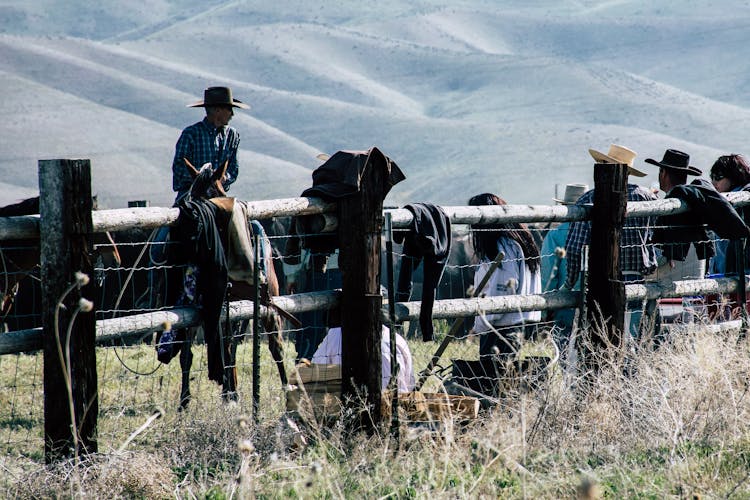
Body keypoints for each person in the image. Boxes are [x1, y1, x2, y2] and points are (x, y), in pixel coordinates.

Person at [563, 144, 658, 338]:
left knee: (598, 334)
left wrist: (570, 282)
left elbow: (574, 248)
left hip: (597, 279)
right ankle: (628, 368)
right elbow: (654, 238)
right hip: (636, 277)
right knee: (631, 336)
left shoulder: (589, 199)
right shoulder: (647, 198)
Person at [650, 149, 750, 321]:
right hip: (717, 277)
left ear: (663, 173)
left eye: (718, 177)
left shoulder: (714, 202)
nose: (714, 182)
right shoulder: (711, 202)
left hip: (725, 273)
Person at [468, 193, 542, 360]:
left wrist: (480, 324)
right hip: (517, 321)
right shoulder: (519, 241)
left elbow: (502, 289)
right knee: (507, 375)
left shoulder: (502, 247)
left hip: (499, 326)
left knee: (492, 376)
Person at [171, 86, 249, 205]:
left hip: (219, 196)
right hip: (190, 196)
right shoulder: (191, 134)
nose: (232, 114)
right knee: (171, 222)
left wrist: (224, 178)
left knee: (252, 224)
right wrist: (204, 179)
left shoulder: (232, 135)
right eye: (229, 109)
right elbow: (179, 169)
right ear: (218, 110)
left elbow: (233, 168)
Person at [541, 183, 588, 353]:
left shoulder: (555, 235)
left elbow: (548, 274)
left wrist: (547, 307)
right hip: (593, 301)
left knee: (565, 350)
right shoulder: (597, 232)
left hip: (564, 302)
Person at [310, 324, 416, 393]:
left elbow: (314, 376)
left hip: (341, 408)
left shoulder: (335, 335)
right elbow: (409, 385)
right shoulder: (398, 340)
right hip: (396, 408)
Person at [707, 154, 750, 275]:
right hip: (734, 271)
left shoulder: (740, 201)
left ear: (733, 176)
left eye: (719, 177)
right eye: (712, 177)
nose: (714, 182)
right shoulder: (724, 201)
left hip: (737, 272)